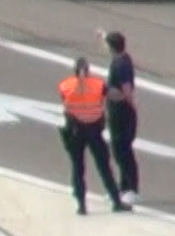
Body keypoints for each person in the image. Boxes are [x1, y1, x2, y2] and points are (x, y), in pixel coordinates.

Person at [58, 56, 131, 215]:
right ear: (88, 70)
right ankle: (116, 201)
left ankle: (81, 205)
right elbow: (116, 95)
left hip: (75, 130)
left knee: (78, 168)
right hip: (94, 130)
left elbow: (65, 102)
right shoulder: (98, 85)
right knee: (104, 167)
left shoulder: (65, 86)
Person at [99, 29, 140, 203]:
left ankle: (131, 188)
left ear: (111, 47)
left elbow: (126, 88)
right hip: (118, 110)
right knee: (119, 149)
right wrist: (102, 34)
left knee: (122, 150)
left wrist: (130, 104)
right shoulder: (121, 58)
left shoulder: (121, 64)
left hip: (122, 112)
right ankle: (122, 188)